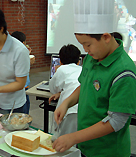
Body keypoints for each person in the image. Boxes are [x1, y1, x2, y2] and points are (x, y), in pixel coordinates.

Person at [52, 0, 136, 156]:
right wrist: (66, 103)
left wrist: (73, 137)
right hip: (86, 146)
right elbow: (84, 85)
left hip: (108, 151)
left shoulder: (124, 71)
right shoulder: (93, 57)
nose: (85, 50)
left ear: (105, 37)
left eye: (88, 44)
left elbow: (116, 121)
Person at [48, 44, 82, 136]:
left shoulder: (61, 69)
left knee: (65, 139)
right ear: (78, 61)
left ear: (60, 61)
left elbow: (52, 88)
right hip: (84, 108)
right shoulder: (82, 69)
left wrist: (56, 71)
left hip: (70, 110)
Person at [11, 31, 36, 114]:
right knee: (23, 112)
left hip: (19, 87)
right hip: (21, 88)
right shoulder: (19, 53)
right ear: (23, 43)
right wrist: (27, 60)